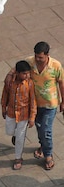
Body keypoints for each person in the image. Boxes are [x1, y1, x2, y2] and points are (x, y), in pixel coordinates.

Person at [29, 41, 64, 171]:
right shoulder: (30, 62)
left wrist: (63, 102)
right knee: (39, 128)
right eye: (36, 57)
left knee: (46, 130)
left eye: (41, 58)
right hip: (35, 105)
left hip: (51, 104)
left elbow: (62, 84)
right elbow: (17, 68)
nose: (38, 60)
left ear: (47, 55)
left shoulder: (56, 66)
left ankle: (48, 155)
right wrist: (10, 76)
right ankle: (43, 146)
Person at [1, 60, 36, 171]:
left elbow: (33, 100)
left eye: (28, 73)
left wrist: (32, 117)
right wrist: (3, 108)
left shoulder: (30, 83)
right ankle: (15, 136)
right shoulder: (10, 82)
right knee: (9, 131)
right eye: (24, 73)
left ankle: (18, 158)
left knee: (20, 138)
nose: (26, 76)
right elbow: (5, 94)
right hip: (11, 112)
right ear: (17, 73)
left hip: (24, 114)